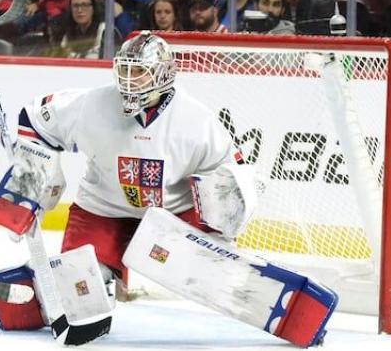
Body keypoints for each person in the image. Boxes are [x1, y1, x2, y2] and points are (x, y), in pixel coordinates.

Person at [14, 29, 236, 299]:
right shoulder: (93, 103)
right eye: (125, 71)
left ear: (163, 73)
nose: (129, 81)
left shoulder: (196, 121)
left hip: (172, 217)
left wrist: (222, 236)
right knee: (76, 292)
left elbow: (231, 177)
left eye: (139, 72)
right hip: (103, 210)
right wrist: (33, 183)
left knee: (206, 278)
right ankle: (108, 274)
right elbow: (34, 117)